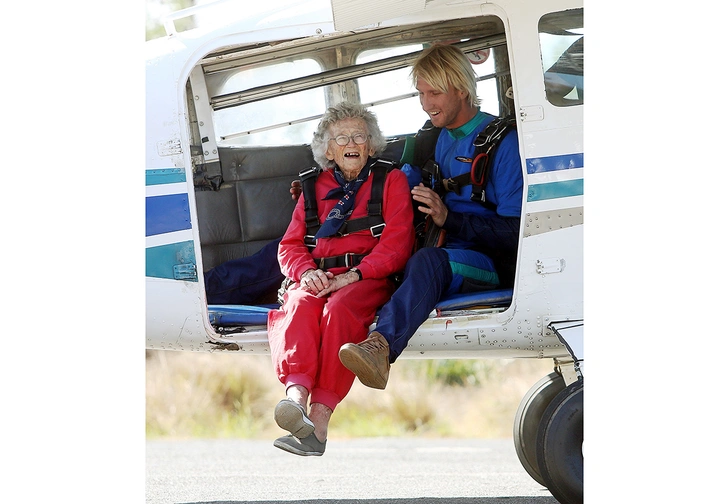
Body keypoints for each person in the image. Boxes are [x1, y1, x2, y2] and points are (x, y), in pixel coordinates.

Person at [338, 44, 523, 390]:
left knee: (427, 262)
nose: (426, 103)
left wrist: (448, 218)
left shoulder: (503, 144)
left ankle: (380, 348)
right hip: (441, 245)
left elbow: (516, 235)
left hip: (489, 262)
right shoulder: (434, 135)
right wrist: (324, 182)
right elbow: (378, 170)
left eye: (434, 92)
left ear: (462, 89)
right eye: (421, 93)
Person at [267, 101, 414, 456]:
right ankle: (296, 397)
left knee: (340, 310)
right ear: (328, 149)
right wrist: (307, 273)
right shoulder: (311, 186)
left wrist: (352, 275)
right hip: (319, 275)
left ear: (371, 144)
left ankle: (319, 420)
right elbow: (289, 246)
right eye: (342, 137)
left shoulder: (390, 179)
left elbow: (397, 245)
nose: (352, 143)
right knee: (300, 302)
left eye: (359, 136)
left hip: (366, 277)